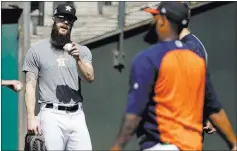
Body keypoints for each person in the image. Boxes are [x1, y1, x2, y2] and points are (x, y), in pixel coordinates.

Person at [110, 2, 236, 151]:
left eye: (155, 17)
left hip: (162, 144)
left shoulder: (148, 58)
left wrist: (117, 147)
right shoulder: (195, 60)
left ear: (163, 20)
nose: (153, 21)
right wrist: (233, 142)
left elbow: (134, 114)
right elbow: (214, 109)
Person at [22, 4, 94, 150]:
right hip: (51, 114)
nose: (66, 22)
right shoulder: (36, 50)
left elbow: (90, 77)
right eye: (62, 18)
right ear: (54, 19)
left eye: (70, 19)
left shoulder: (82, 50)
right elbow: (30, 86)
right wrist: (31, 118)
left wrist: (78, 59)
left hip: (76, 114)